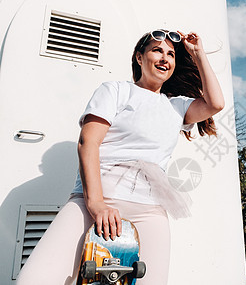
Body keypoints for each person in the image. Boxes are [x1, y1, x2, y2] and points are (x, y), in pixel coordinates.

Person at [17, 29, 225, 285]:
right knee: (33, 279)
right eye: (157, 50)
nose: (165, 58)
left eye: (170, 54)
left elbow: (215, 103)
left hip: (149, 209)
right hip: (96, 198)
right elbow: (88, 142)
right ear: (139, 57)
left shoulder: (177, 106)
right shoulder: (115, 90)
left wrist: (198, 54)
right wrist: (96, 204)